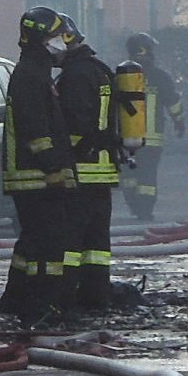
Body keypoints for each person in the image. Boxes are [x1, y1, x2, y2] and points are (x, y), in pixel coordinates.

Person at [0, 7, 80, 321]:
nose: (62, 42)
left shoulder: (35, 71)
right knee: (48, 242)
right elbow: (37, 130)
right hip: (35, 176)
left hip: (31, 176)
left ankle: (17, 299)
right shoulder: (31, 75)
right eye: (57, 36)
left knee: (31, 241)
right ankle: (43, 302)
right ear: (42, 39)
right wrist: (54, 169)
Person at [55, 26, 126, 310]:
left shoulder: (74, 76)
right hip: (104, 168)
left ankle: (67, 296)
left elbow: (77, 124)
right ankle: (97, 297)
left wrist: (59, 153)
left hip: (82, 169)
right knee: (97, 242)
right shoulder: (100, 70)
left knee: (72, 240)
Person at [119, 33, 187, 222]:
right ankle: (145, 211)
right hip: (151, 139)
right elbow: (173, 103)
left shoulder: (120, 75)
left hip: (126, 138)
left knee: (130, 174)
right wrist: (179, 123)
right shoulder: (160, 77)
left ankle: (134, 205)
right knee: (147, 175)